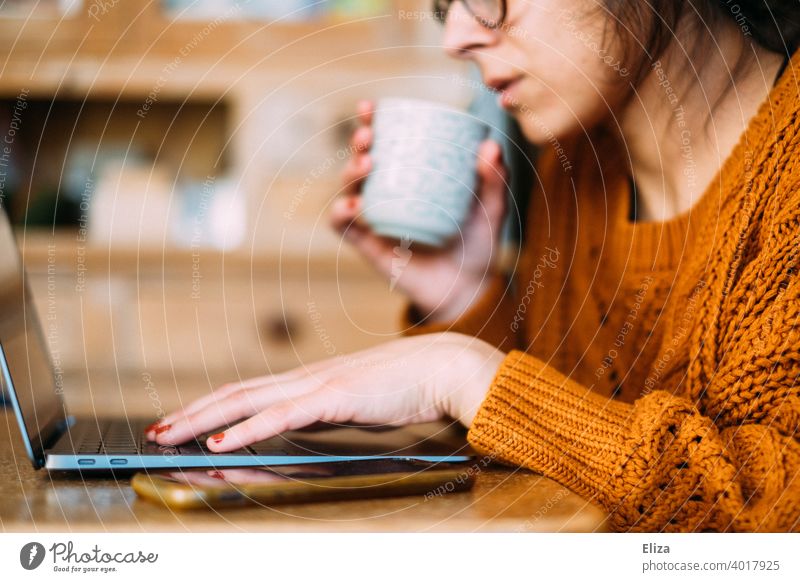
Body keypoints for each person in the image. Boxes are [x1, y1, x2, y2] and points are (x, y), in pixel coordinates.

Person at [146, 0, 800, 532]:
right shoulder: (573, 175)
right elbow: (565, 466)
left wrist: (461, 372)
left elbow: (772, 518)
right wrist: (463, 301)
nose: (457, 35)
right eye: (443, 4)